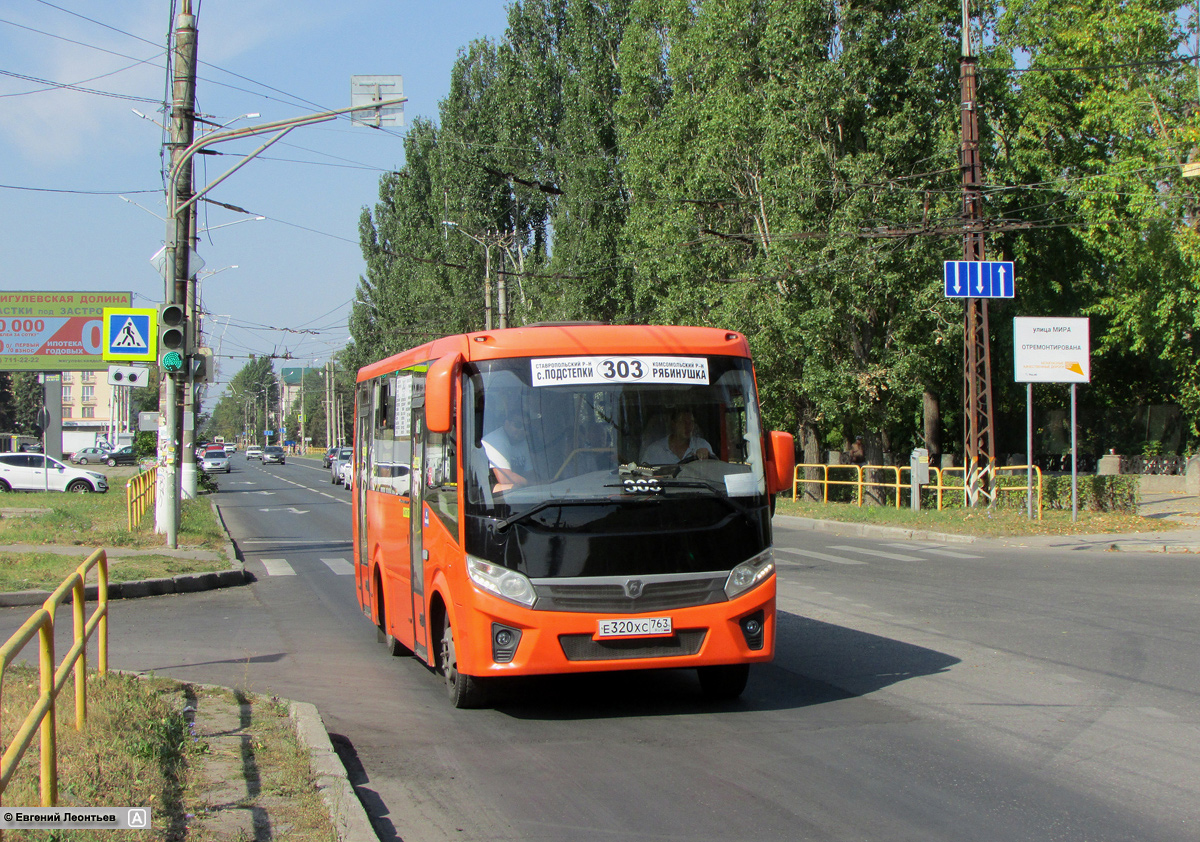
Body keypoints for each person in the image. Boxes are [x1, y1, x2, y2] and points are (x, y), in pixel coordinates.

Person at [482, 404, 534, 484]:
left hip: (517, 492)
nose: (522, 430)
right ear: (507, 424)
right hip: (487, 491)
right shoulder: (496, 440)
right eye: (518, 425)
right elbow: (505, 479)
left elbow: (529, 473)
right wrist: (534, 484)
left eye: (526, 426)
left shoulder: (521, 440)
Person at [640, 408, 713, 464]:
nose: (688, 426)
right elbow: (643, 475)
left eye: (691, 422)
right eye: (683, 422)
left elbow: (714, 471)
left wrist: (707, 457)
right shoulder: (654, 451)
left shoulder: (702, 445)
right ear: (673, 424)